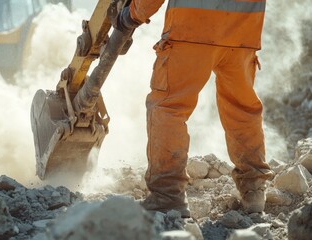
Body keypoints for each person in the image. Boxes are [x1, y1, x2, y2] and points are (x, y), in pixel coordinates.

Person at [114, 0, 274, 217]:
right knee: (242, 109)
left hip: (191, 30)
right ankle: (254, 190)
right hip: (243, 34)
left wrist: (131, 15)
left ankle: (168, 197)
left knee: (169, 107)